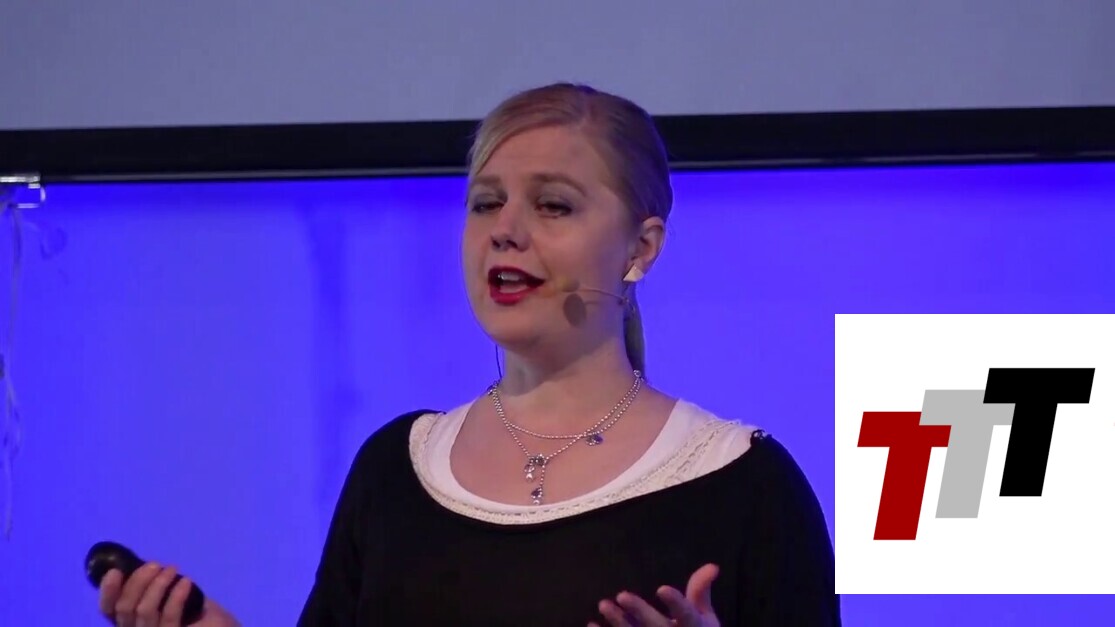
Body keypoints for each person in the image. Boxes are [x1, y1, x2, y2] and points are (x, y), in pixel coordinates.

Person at [97, 83, 840, 626]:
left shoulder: (746, 485)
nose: (504, 229)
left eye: (552, 204)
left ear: (640, 248)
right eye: (486, 202)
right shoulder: (394, 470)